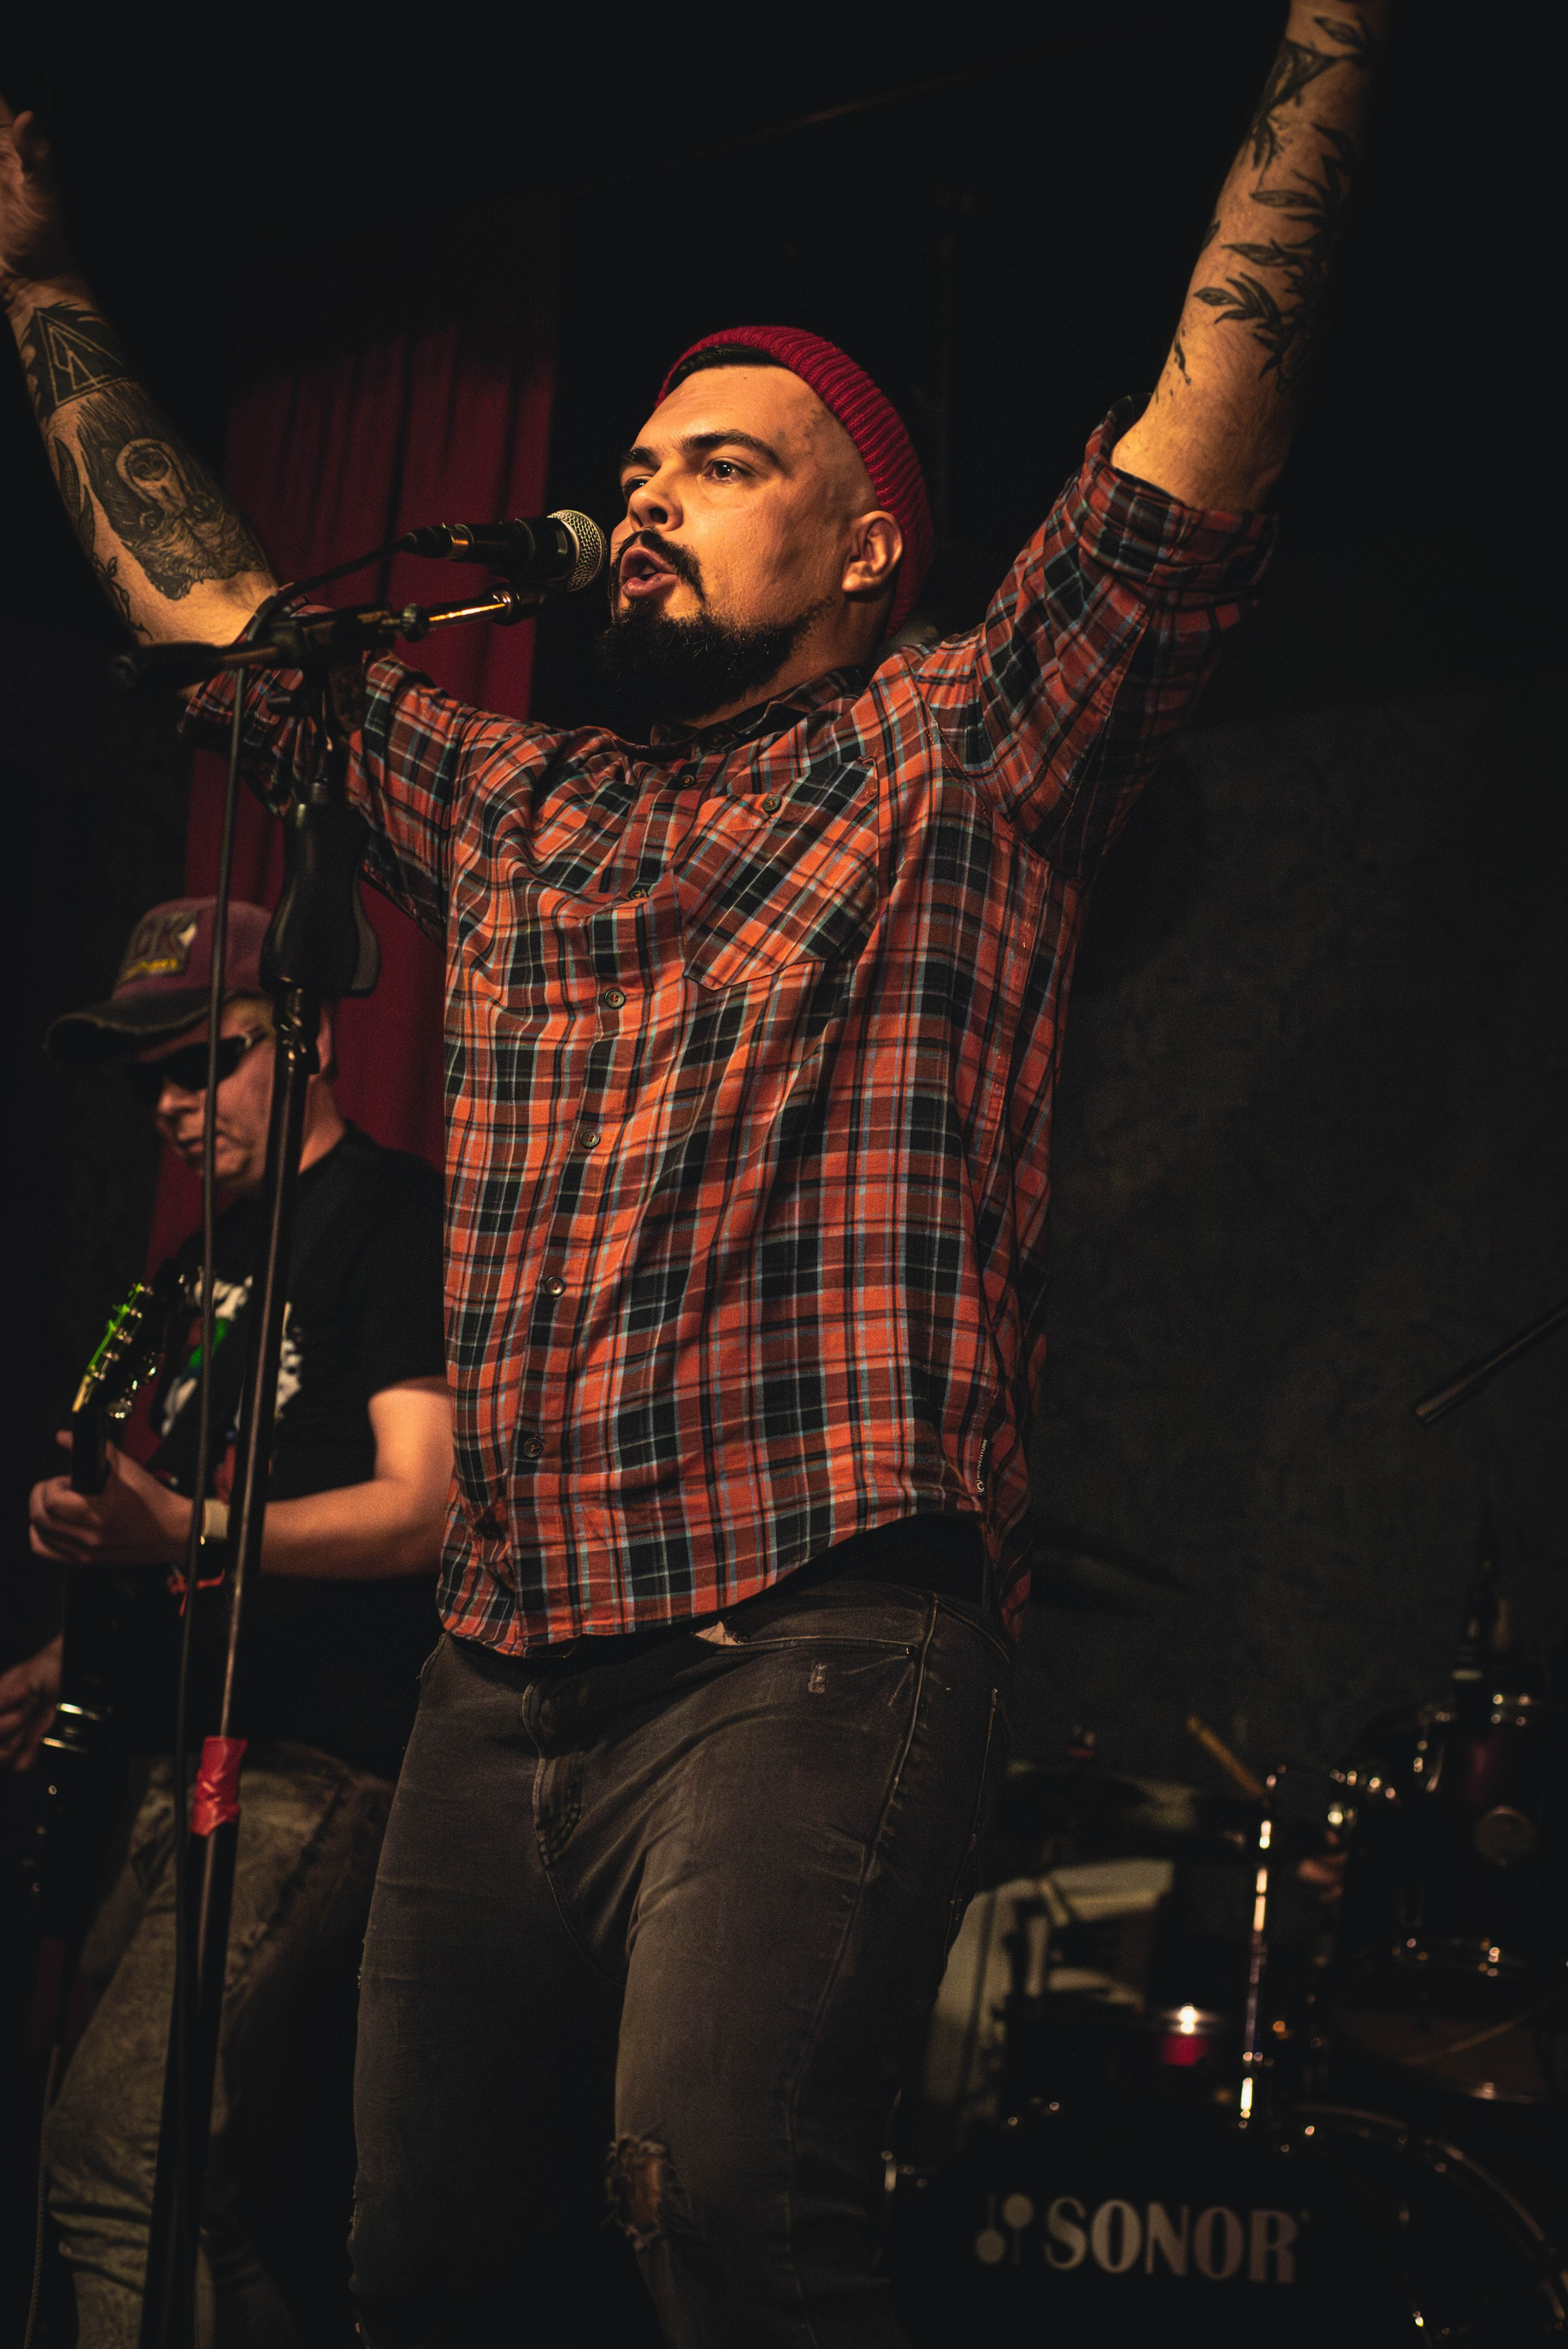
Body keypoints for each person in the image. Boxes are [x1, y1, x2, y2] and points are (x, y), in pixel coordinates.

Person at [0, 8, 1388, 2339]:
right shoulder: (524, 802)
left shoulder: (964, 744)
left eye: (721, 465)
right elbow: (220, 624)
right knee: (419, 2261)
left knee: (726, 2206)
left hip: (807, 1634)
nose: (643, 496)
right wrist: (37, 279)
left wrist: (1336, 41)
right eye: (636, 464)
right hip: (496, 1670)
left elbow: (1193, 447)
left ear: (868, 543)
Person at [0, 896, 452, 2348]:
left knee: (112, 2149)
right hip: (175, 1747)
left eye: (209, 1063)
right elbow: (190, 1522)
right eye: (154, 1082)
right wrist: (81, 1634)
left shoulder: (387, 1214)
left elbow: (425, 1506)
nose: (175, 1108)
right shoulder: (195, 1268)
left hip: (308, 1757)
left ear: (306, 1040)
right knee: (176, 2192)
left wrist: (181, 1524)